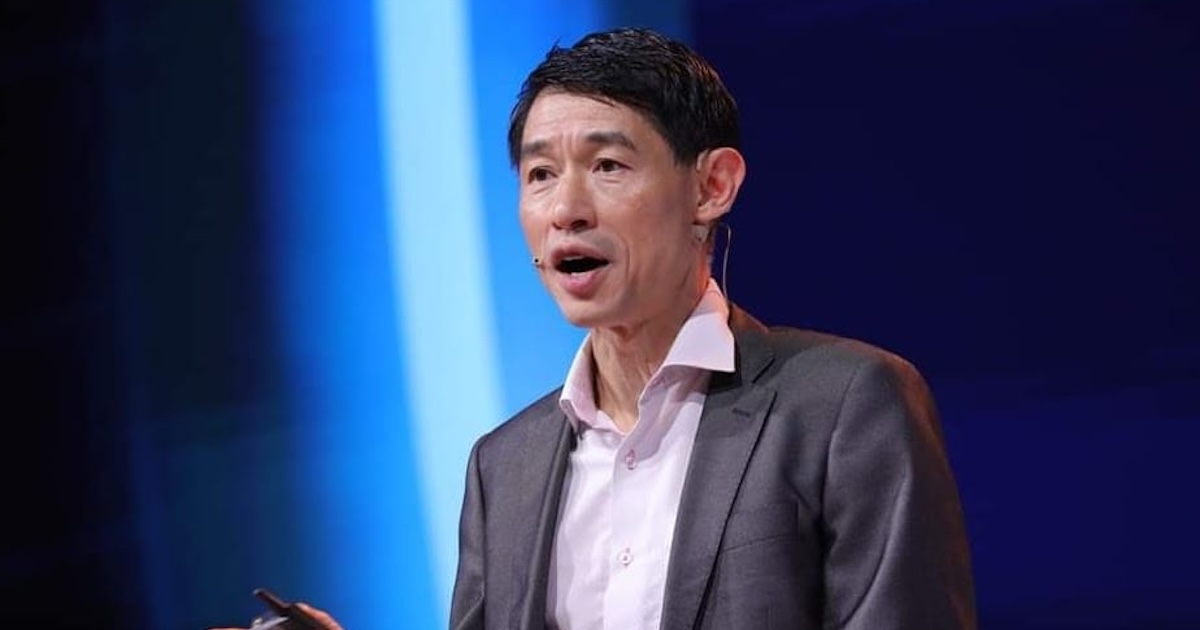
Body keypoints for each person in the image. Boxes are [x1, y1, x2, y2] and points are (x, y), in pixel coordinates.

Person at [216, 26, 976, 630]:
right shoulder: (502, 468)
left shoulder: (844, 404)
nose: (564, 210)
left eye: (608, 165)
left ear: (712, 186)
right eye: (539, 175)